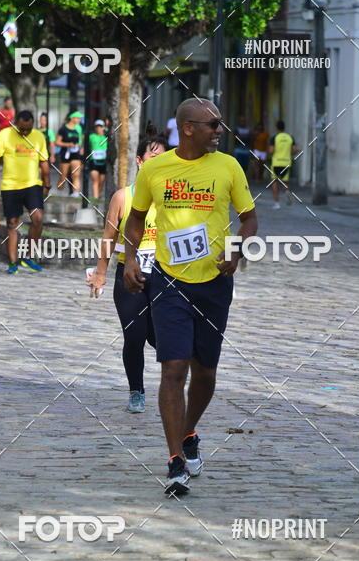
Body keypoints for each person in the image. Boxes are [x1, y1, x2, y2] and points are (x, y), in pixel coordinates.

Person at [123, 98, 258, 496]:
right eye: (212, 124)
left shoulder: (228, 166)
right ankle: (175, 460)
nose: (220, 130)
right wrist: (130, 258)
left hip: (215, 282)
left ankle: (187, 431)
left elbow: (249, 218)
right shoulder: (156, 169)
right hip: (169, 281)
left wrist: (236, 248)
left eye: (220, 124)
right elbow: (135, 218)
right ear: (188, 129)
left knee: (205, 372)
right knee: (173, 369)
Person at [87, 128, 166, 413]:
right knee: (134, 336)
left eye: (164, 159)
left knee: (159, 337)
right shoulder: (122, 197)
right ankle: (137, 392)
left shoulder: (171, 198)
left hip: (164, 277)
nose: (159, 163)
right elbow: (108, 237)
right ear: (140, 161)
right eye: (153, 158)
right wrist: (100, 273)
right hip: (129, 275)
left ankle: (177, 379)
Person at [0, 109, 50, 274]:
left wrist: (47, 184)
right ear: (15, 122)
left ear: (33, 125)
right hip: (10, 186)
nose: (25, 132)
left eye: (28, 129)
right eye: (21, 129)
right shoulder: (4, 135)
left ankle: (28, 257)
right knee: (12, 223)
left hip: (32, 184)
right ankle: (12, 262)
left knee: (38, 219)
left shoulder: (38, 136)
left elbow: (44, 162)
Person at [268, 119, 300, 208]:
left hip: (276, 162)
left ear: (276, 128)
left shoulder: (274, 138)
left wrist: (269, 153)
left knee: (274, 181)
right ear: (284, 127)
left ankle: (277, 203)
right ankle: (286, 191)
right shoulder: (290, 137)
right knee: (284, 181)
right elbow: (294, 150)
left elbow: (271, 151)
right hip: (286, 163)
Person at [56, 111, 84, 196]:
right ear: (72, 118)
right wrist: (68, 144)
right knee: (63, 177)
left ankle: (75, 194)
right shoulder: (63, 129)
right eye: (78, 118)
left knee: (76, 175)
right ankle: (59, 192)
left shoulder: (79, 128)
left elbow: (81, 140)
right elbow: (57, 142)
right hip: (65, 154)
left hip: (75, 154)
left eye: (80, 118)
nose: (79, 120)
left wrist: (81, 148)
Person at [87, 119, 108, 200]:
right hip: (93, 161)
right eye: (97, 126)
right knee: (95, 180)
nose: (99, 128)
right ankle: (95, 198)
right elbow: (85, 147)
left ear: (103, 127)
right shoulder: (91, 136)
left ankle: (98, 196)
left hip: (103, 162)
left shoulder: (106, 136)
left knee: (101, 182)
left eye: (100, 126)